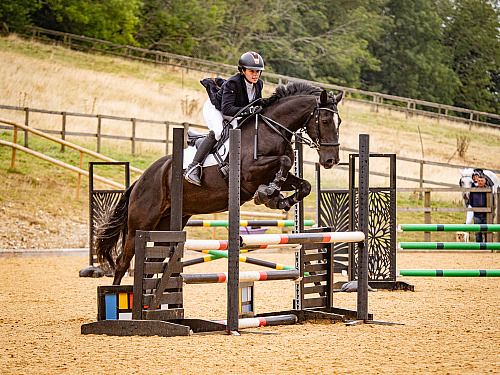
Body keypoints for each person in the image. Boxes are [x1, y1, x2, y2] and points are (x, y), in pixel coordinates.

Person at [184, 51, 265, 186]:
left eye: (258, 71)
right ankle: (193, 167)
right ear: (243, 70)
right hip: (216, 108)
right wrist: (249, 110)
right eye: (252, 71)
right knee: (218, 132)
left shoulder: (259, 84)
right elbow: (226, 109)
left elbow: (255, 104)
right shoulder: (233, 83)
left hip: (235, 111)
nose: (256, 74)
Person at [469, 174, 488, 242]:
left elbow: (492, 202)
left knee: (487, 233)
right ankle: (479, 250)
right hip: (477, 215)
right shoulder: (473, 190)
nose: (480, 182)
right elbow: (470, 201)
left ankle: (487, 248)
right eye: (479, 181)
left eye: (481, 181)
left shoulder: (489, 190)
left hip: (487, 215)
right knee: (477, 233)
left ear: (485, 181)